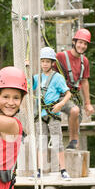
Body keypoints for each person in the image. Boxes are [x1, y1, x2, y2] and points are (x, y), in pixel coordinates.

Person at [27, 46, 71, 179]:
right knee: (41, 143)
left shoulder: (57, 78)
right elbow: (28, 85)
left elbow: (68, 93)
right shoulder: (37, 78)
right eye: (43, 61)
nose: (45, 64)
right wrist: (27, 69)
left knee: (57, 142)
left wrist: (61, 104)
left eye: (47, 61)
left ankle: (63, 170)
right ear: (40, 62)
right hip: (40, 116)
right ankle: (39, 170)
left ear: (52, 63)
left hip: (53, 115)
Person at [56, 28, 94, 150]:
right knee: (74, 110)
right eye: (80, 42)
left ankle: (72, 141)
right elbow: (47, 67)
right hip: (60, 94)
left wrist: (88, 103)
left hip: (75, 95)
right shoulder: (61, 56)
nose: (82, 46)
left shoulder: (85, 62)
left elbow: (84, 81)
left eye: (85, 44)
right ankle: (74, 141)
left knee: (77, 116)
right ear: (74, 42)